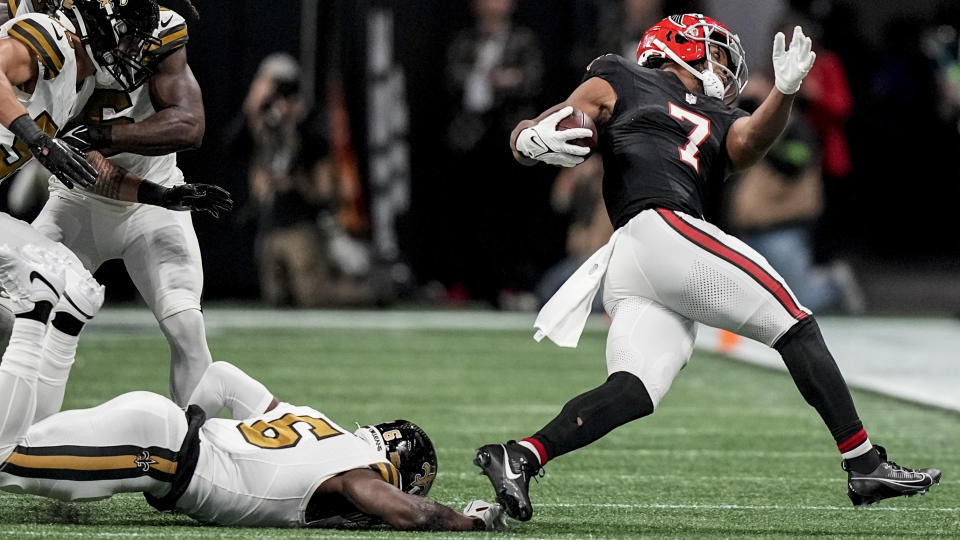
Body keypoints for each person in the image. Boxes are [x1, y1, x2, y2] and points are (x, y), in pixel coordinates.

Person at [473, 13, 941, 522]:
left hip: (642, 257)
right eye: (716, 50)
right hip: (658, 228)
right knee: (795, 322)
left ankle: (520, 455)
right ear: (681, 46)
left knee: (635, 388)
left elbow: (748, 144)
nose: (724, 63)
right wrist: (526, 139)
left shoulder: (720, 116)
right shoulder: (624, 75)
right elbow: (556, 117)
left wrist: (782, 93)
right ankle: (864, 463)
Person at [0, 246, 506, 531]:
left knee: (22, 437)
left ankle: (60, 321)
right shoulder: (359, 472)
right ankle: (36, 313)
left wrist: (195, 423)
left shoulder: (319, 424)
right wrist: (467, 524)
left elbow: (221, 376)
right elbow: (385, 503)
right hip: (159, 453)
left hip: (164, 437)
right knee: (5, 459)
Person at [0, 1, 231, 420]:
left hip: (141, 194)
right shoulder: (52, 39)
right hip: (74, 198)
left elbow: (188, 126)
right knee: (12, 310)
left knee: (185, 323)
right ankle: (20, 433)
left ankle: (198, 457)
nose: (131, 48)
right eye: (123, 34)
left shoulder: (139, 35)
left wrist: (155, 192)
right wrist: (39, 137)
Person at [233, 53, 374, 308]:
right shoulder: (262, 123)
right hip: (270, 224)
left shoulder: (308, 124)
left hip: (301, 224)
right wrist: (251, 110)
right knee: (276, 298)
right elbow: (232, 145)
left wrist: (297, 121)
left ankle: (373, 291)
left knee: (312, 298)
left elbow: (323, 183)